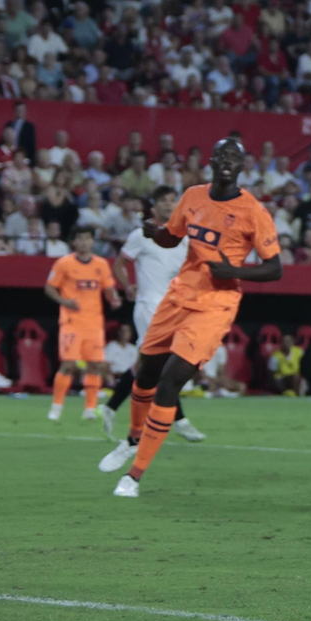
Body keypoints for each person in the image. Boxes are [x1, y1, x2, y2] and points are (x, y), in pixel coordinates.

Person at [98, 137, 282, 497]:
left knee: (169, 382)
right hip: (177, 296)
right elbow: (173, 237)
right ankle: (133, 439)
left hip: (214, 306)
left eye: (235, 156)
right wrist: (157, 235)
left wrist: (234, 271)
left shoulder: (253, 211)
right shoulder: (193, 196)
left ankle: (133, 476)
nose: (228, 160)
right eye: (222, 155)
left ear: (243, 167)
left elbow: (275, 269)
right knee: (146, 373)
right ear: (211, 161)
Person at [109, 187, 204, 443]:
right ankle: (180, 421)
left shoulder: (182, 237)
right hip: (149, 306)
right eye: (164, 201)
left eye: (173, 201)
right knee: (164, 363)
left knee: (146, 366)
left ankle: (110, 407)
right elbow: (119, 264)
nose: (169, 205)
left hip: (175, 307)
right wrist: (127, 286)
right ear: (153, 207)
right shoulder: (141, 235)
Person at [43, 225, 120, 422]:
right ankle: (57, 406)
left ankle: (90, 408)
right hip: (71, 321)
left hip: (94, 323)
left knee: (94, 365)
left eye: (88, 238)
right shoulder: (64, 263)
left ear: (92, 241)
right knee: (68, 364)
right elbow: (50, 288)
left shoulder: (101, 264)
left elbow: (109, 287)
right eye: (80, 238)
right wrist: (65, 302)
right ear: (73, 242)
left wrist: (114, 299)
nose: (84, 242)